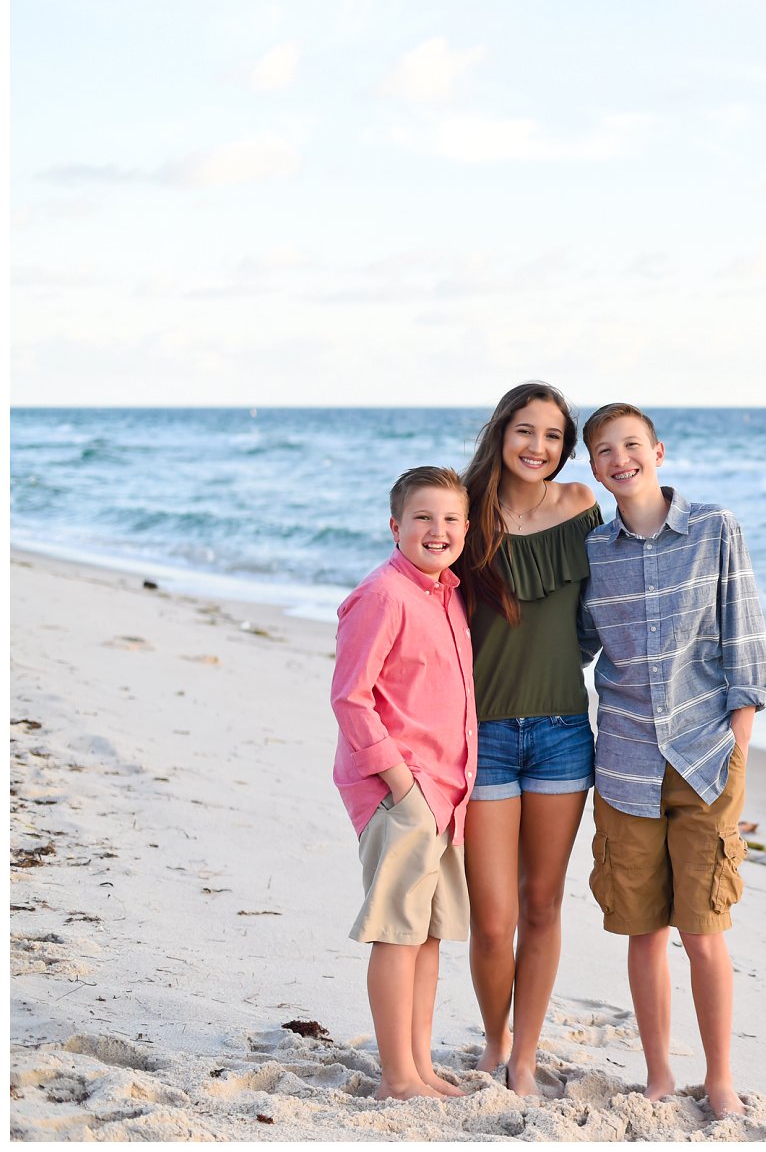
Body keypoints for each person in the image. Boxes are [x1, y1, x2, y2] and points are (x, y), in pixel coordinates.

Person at [577, 402, 766, 1117]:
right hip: (625, 762)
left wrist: (739, 743)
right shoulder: (596, 550)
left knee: (703, 927)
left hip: (706, 757)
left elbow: (744, 636)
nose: (619, 457)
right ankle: (659, 1074)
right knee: (642, 927)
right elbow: (575, 646)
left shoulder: (716, 528)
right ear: (592, 466)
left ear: (658, 450)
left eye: (631, 444)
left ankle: (719, 1076)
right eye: (603, 449)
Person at [459, 382, 603, 1095]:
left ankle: (525, 1053)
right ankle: (493, 1038)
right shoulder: (464, 510)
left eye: (553, 435)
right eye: (526, 430)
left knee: (542, 904)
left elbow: (605, 610)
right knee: (493, 918)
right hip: (479, 733)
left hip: (562, 732)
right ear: (501, 431)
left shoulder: (580, 506)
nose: (538, 447)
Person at [329, 466, 476, 1101]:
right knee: (397, 932)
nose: (436, 530)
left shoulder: (447, 595)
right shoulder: (384, 595)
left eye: (449, 519)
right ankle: (396, 1077)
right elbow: (351, 698)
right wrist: (402, 785)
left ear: (466, 530)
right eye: (423, 518)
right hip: (403, 791)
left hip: (448, 791)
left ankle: (418, 1065)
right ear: (395, 526)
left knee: (430, 933)